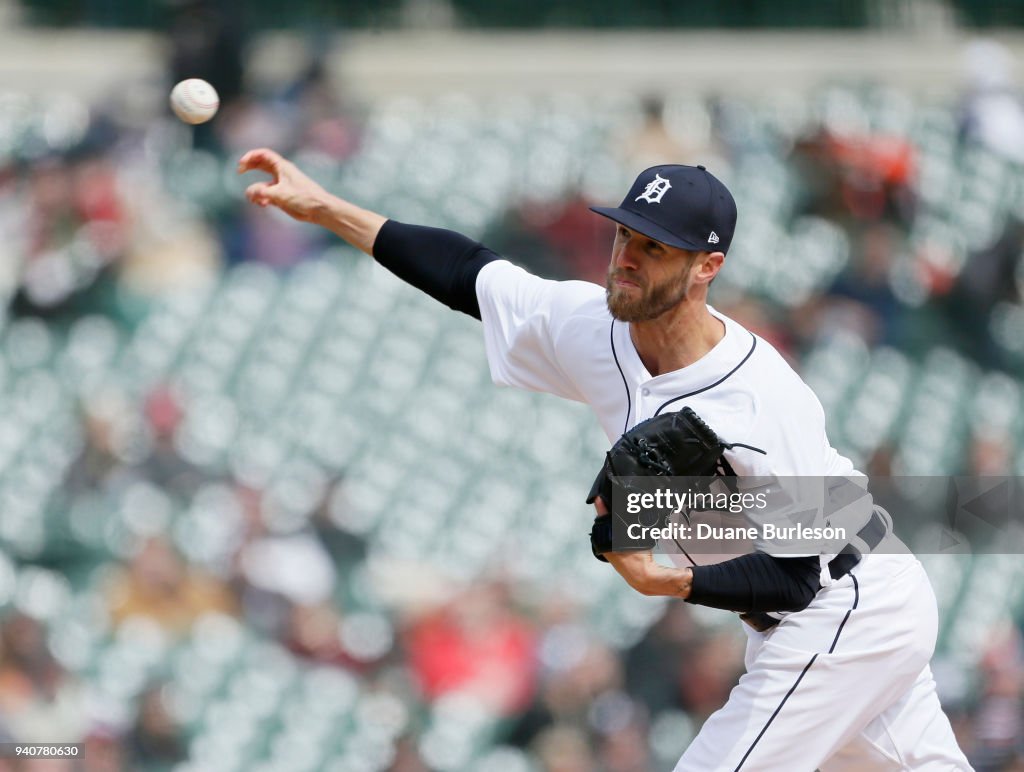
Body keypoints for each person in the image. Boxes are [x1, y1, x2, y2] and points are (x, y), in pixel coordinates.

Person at [238, 148, 971, 770]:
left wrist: (671, 578)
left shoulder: (760, 398)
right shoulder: (596, 325)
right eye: (625, 235)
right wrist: (325, 206)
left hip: (844, 597)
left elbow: (798, 570)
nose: (627, 258)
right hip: (823, 608)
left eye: (654, 248)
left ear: (706, 267)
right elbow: (466, 272)